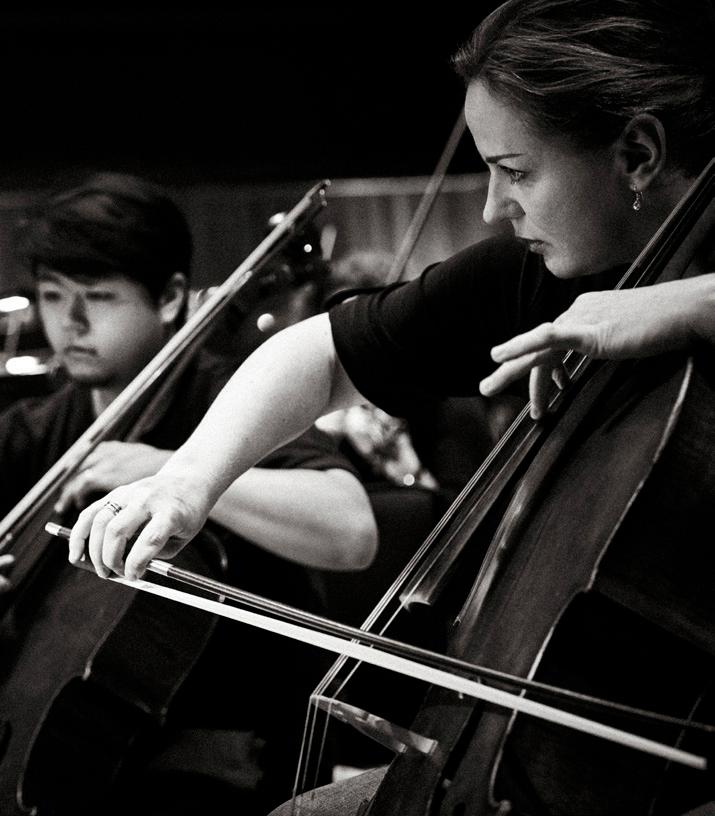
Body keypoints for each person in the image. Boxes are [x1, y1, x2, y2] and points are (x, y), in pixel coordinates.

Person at [70, 1, 714, 813]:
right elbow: (316, 354)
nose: (493, 207)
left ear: (637, 154)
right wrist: (186, 482)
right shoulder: (537, 278)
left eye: (515, 171)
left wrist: (695, 302)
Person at [0, 171, 377, 815]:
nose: (71, 322)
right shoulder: (36, 429)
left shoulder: (230, 398)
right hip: (85, 753)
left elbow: (352, 530)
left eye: (99, 296)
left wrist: (175, 470)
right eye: (53, 296)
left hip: (231, 754)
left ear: (172, 298)